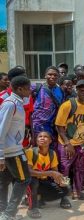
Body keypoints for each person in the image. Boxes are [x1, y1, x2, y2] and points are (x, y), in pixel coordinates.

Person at [55, 80, 84, 200]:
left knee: (80, 169)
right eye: (80, 88)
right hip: (67, 144)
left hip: (81, 144)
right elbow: (59, 126)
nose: (83, 90)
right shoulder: (67, 105)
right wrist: (67, 143)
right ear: (76, 90)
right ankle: (64, 196)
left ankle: (77, 192)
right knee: (65, 170)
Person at [0, 76, 31, 219]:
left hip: (12, 149)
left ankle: (4, 212)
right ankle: (9, 214)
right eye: (28, 88)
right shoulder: (10, 104)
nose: (30, 91)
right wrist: (0, 155)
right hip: (12, 152)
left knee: (4, 181)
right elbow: (1, 130)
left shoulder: (17, 103)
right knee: (24, 179)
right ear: (19, 89)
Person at [25, 131, 71, 219]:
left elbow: (56, 172)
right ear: (37, 140)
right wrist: (49, 173)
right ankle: (32, 208)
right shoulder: (30, 152)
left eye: (45, 137)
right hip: (30, 182)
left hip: (43, 181)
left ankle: (61, 198)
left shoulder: (52, 153)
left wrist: (63, 183)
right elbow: (29, 172)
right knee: (34, 182)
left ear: (50, 141)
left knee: (66, 184)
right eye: (40, 136)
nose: (42, 138)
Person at [32, 66, 64, 142]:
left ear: (58, 77)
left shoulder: (61, 91)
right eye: (50, 74)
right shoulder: (36, 87)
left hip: (52, 127)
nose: (52, 77)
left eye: (55, 75)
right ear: (45, 75)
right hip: (36, 126)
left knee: (50, 150)